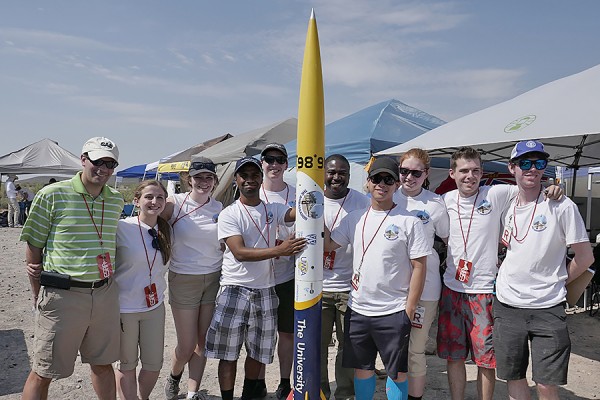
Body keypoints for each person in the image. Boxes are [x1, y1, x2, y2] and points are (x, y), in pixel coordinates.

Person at [438, 146, 562, 400]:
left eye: (475, 171)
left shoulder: (496, 193)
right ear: (452, 173)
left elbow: (529, 184)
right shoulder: (445, 201)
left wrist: (553, 187)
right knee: (455, 356)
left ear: (482, 172)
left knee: (486, 359)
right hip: (452, 288)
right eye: (463, 171)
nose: (469, 176)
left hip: (484, 291)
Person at [20, 137, 123, 400]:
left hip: (103, 293)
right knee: (44, 370)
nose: (104, 168)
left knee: (103, 364)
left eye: (110, 163)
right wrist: (37, 295)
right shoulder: (52, 195)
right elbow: (33, 248)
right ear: (83, 159)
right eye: (98, 161)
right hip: (63, 294)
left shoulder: (115, 200)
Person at [494, 140, 594, 400]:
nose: (532, 169)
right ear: (512, 167)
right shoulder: (506, 203)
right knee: (514, 377)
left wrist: (559, 280)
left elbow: (585, 257)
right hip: (507, 304)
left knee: (546, 383)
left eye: (539, 163)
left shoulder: (562, 206)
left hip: (547, 307)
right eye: (525, 162)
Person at [324, 156, 430, 400]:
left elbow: (419, 266)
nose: (382, 184)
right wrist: (314, 212)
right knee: (362, 369)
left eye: (388, 179)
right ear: (368, 183)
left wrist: (410, 308)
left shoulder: (409, 221)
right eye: (376, 178)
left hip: (393, 311)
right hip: (358, 309)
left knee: (397, 373)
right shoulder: (355, 218)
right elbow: (329, 245)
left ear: (396, 185)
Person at [205, 156, 306, 400]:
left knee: (258, 351)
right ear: (237, 180)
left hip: (266, 290)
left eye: (254, 175)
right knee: (228, 354)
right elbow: (239, 252)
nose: (249, 180)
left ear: (261, 179)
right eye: (244, 175)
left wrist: (313, 191)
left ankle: (250, 394)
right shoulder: (230, 213)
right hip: (234, 289)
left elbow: (296, 213)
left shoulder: (272, 209)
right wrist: (280, 251)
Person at [162, 156, 224, 400]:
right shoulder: (174, 203)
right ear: (189, 180)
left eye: (209, 177)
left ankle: (192, 393)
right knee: (186, 344)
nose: (204, 182)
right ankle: (174, 375)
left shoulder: (219, 208)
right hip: (184, 278)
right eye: (199, 177)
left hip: (213, 279)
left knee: (203, 342)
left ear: (215, 180)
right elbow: (150, 220)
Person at [393, 149, 449, 400]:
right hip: (392, 289)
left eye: (416, 172)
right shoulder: (388, 197)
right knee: (394, 349)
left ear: (426, 173)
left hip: (425, 289)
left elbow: (450, 240)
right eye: (404, 171)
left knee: (415, 350)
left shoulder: (435, 204)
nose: (409, 177)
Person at [114, 180, 172, 400]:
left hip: (154, 307)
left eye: (159, 197)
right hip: (124, 307)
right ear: (136, 201)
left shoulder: (166, 230)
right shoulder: (122, 228)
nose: (154, 202)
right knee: (126, 364)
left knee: (153, 364)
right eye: (149, 197)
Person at [321, 154, 369, 400]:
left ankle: (345, 394)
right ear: (323, 173)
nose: (336, 177)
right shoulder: (312, 201)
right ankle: (319, 392)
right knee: (316, 348)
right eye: (331, 172)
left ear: (349, 176)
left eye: (342, 173)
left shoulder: (362, 202)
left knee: (348, 347)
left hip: (350, 287)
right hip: (316, 288)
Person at [257, 143, 296, 399]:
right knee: (258, 334)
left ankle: (284, 381)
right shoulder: (251, 191)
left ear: (286, 164)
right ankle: (257, 382)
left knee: (286, 333)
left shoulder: (296, 193)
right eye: (269, 159)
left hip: (287, 276)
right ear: (262, 163)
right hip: (258, 278)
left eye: (279, 159)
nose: (274, 164)